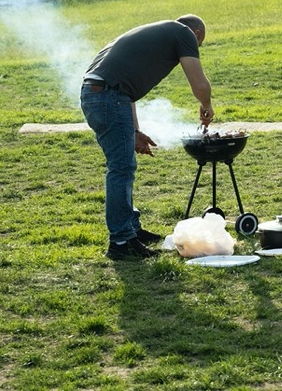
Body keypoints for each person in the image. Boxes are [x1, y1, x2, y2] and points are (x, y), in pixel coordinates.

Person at [80, 15, 214, 261]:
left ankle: (131, 230)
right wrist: (206, 105)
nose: (196, 48)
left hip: (99, 95)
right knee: (121, 168)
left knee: (123, 166)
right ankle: (121, 241)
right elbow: (200, 85)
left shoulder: (158, 32)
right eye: (199, 44)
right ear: (196, 35)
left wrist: (134, 131)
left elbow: (125, 88)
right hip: (108, 97)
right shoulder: (184, 33)